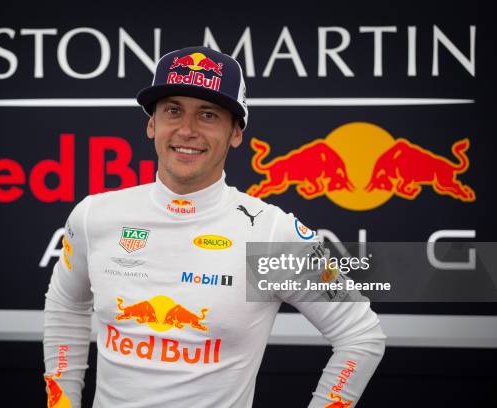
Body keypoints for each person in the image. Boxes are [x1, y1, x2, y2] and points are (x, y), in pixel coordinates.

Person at [43, 46, 386, 408]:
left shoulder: (271, 233)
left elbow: (361, 335)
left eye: (208, 114)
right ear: (151, 124)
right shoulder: (95, 215)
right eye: (173, 111)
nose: (187, 130)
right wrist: (60, 402)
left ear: (236, 132)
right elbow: (66, 307)